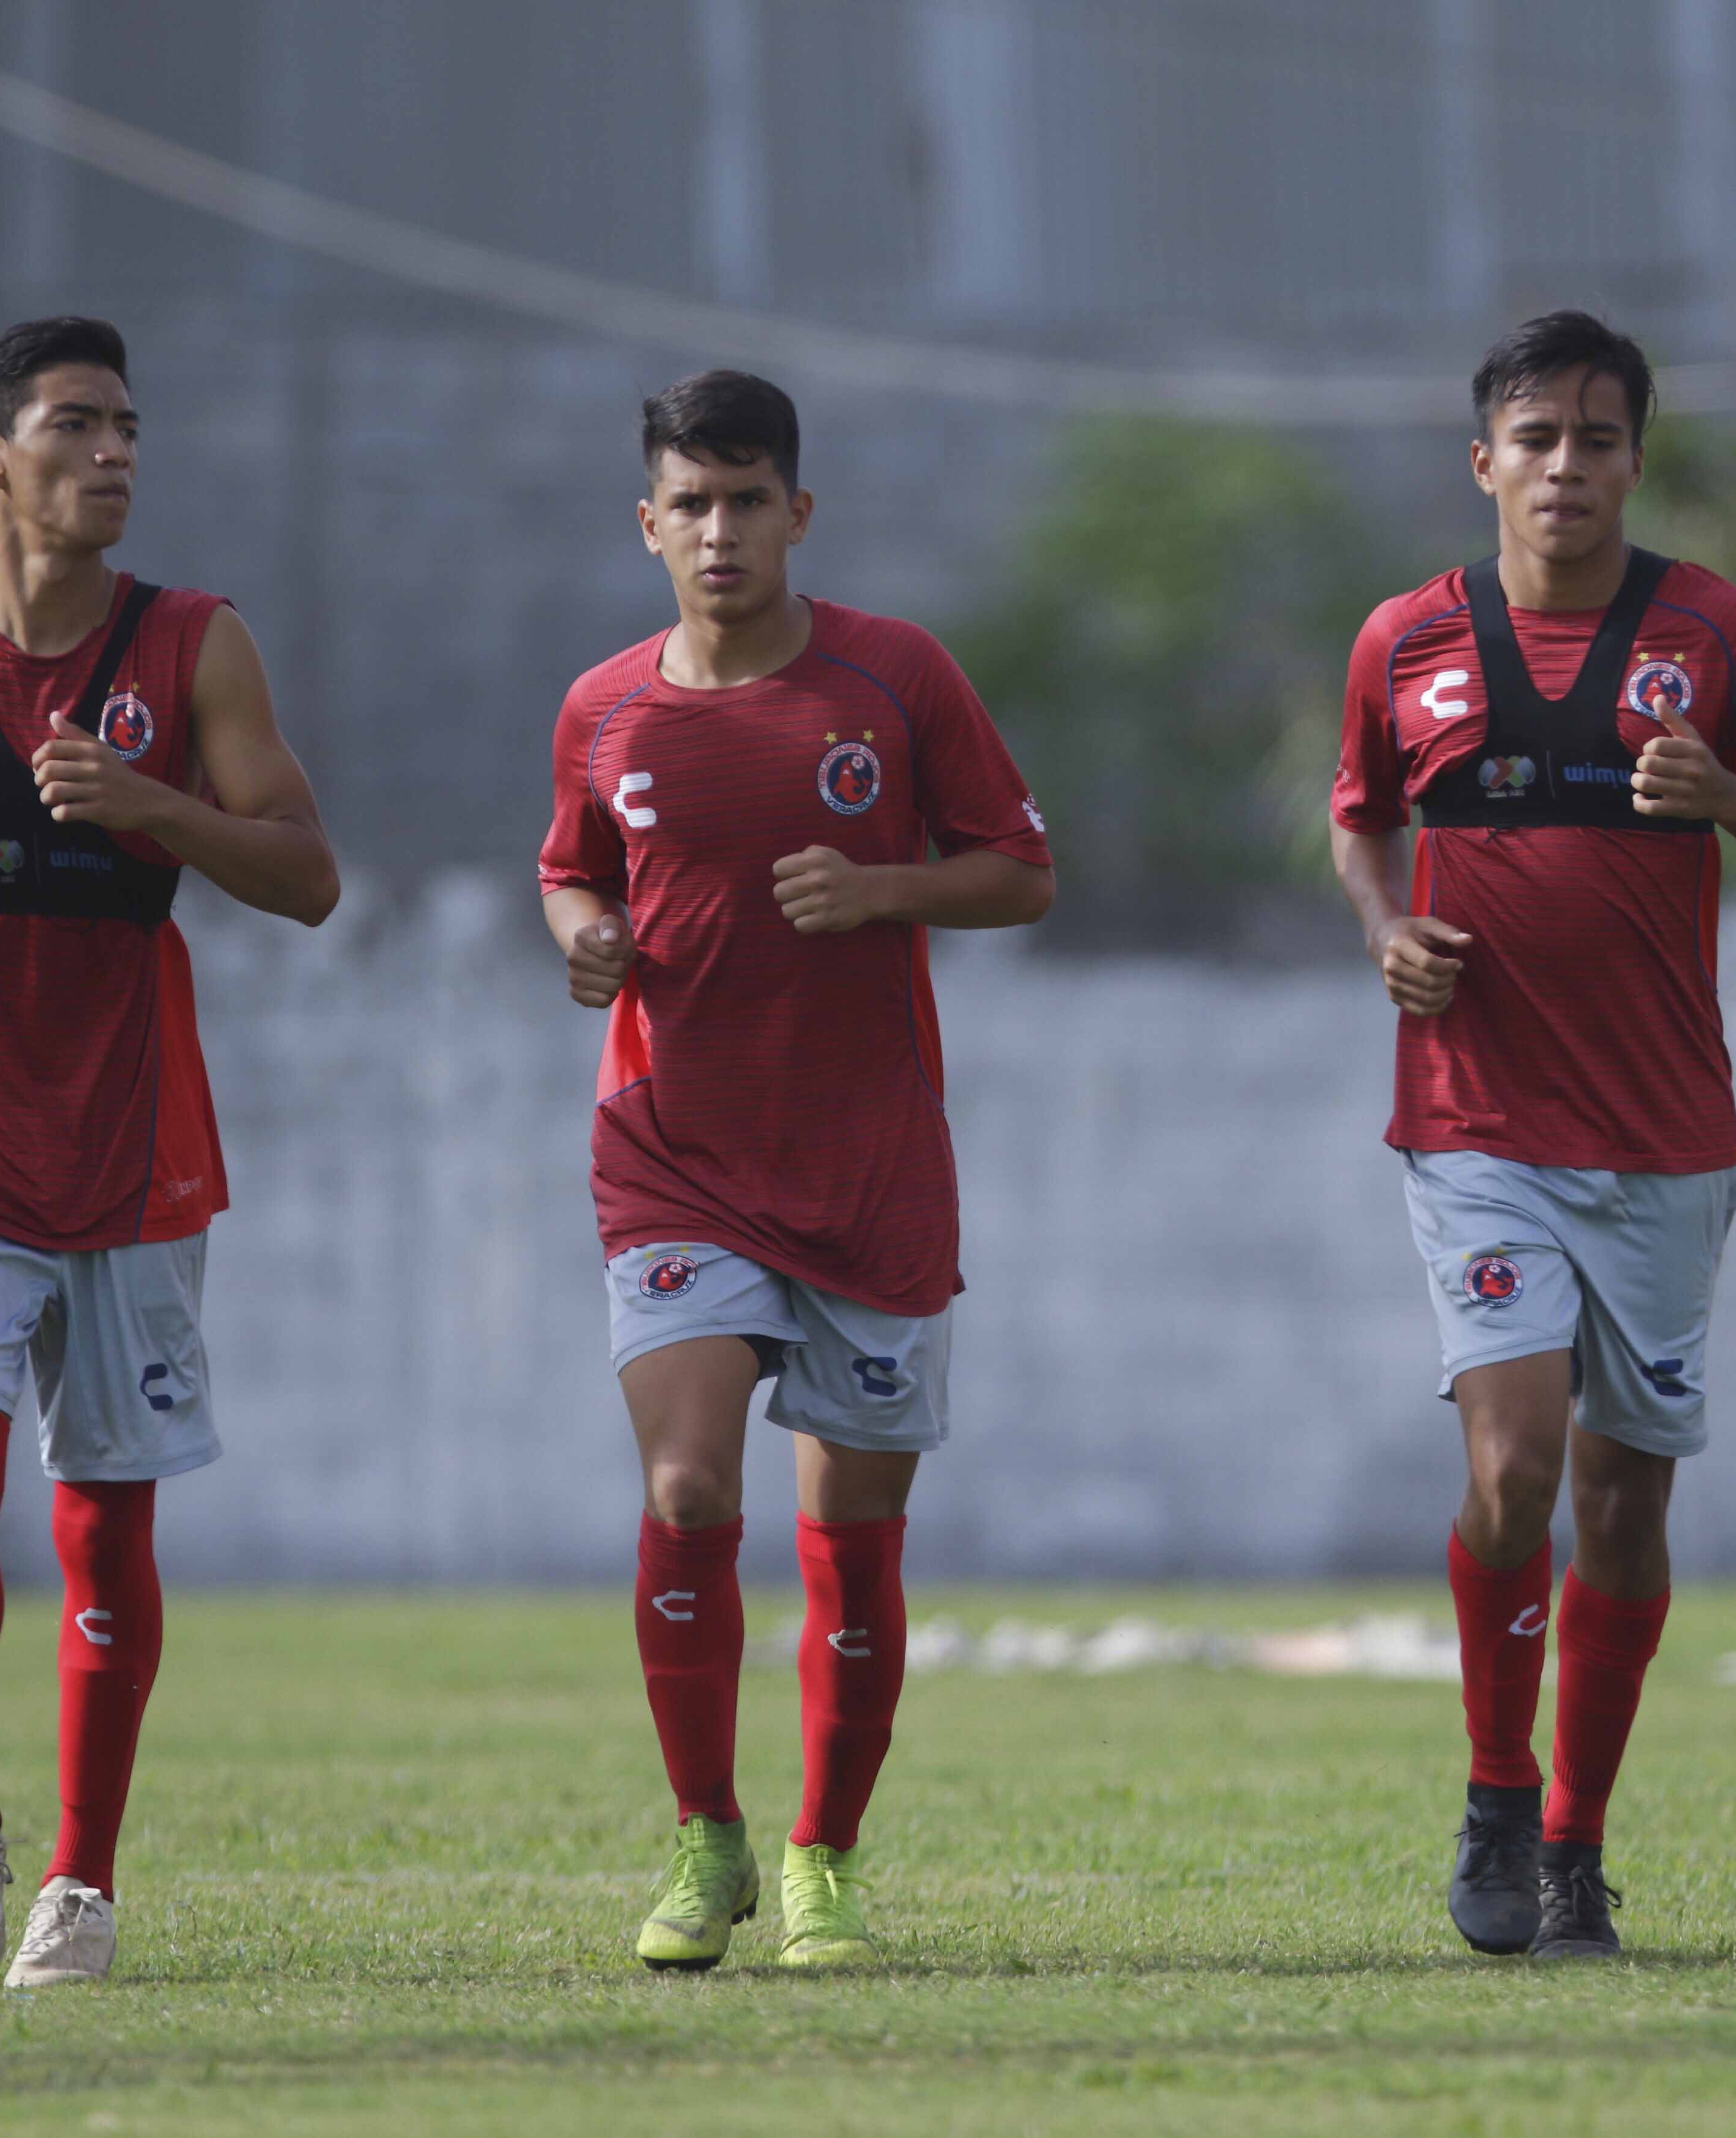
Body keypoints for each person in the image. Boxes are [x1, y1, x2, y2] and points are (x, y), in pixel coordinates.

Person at [0, 315, 339, 1988]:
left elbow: (308, 874)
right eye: (78, 424)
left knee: (106, 1521)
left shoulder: (194, 646)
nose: (117, 453)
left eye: (128, 427)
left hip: (132, 1127)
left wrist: (154, 809)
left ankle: (80, 1884)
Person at [1327, 311, 1736, 1960]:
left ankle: (1577, 1843)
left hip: (1663, 1139)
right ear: (1482, 460)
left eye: (1599, 437)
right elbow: (1362, 813)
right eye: (1536, 437)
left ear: (1638, 457)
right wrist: (1383, 929)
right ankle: (1499, 1796)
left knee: (1625, 1504)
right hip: (1476, 1124)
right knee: (1512, 1466)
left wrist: (1730, 802)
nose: (1567, 467)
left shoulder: (1716, 635)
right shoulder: (1405, 641)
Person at [536, 371, 1054, 1972]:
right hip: (674, 1156)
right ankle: (707, 1836)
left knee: (854, 1537)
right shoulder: (604, 705)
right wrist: (584, 938)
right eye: (689, 503)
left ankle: (825, 1848)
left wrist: (888, 887)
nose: (718, 530)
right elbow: (568, 867)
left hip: (872, 1175)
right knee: (690, 1489)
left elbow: (1023, 873)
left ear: (797, 515)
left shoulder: (897, 680)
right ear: (648, 523)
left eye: (747, 500)